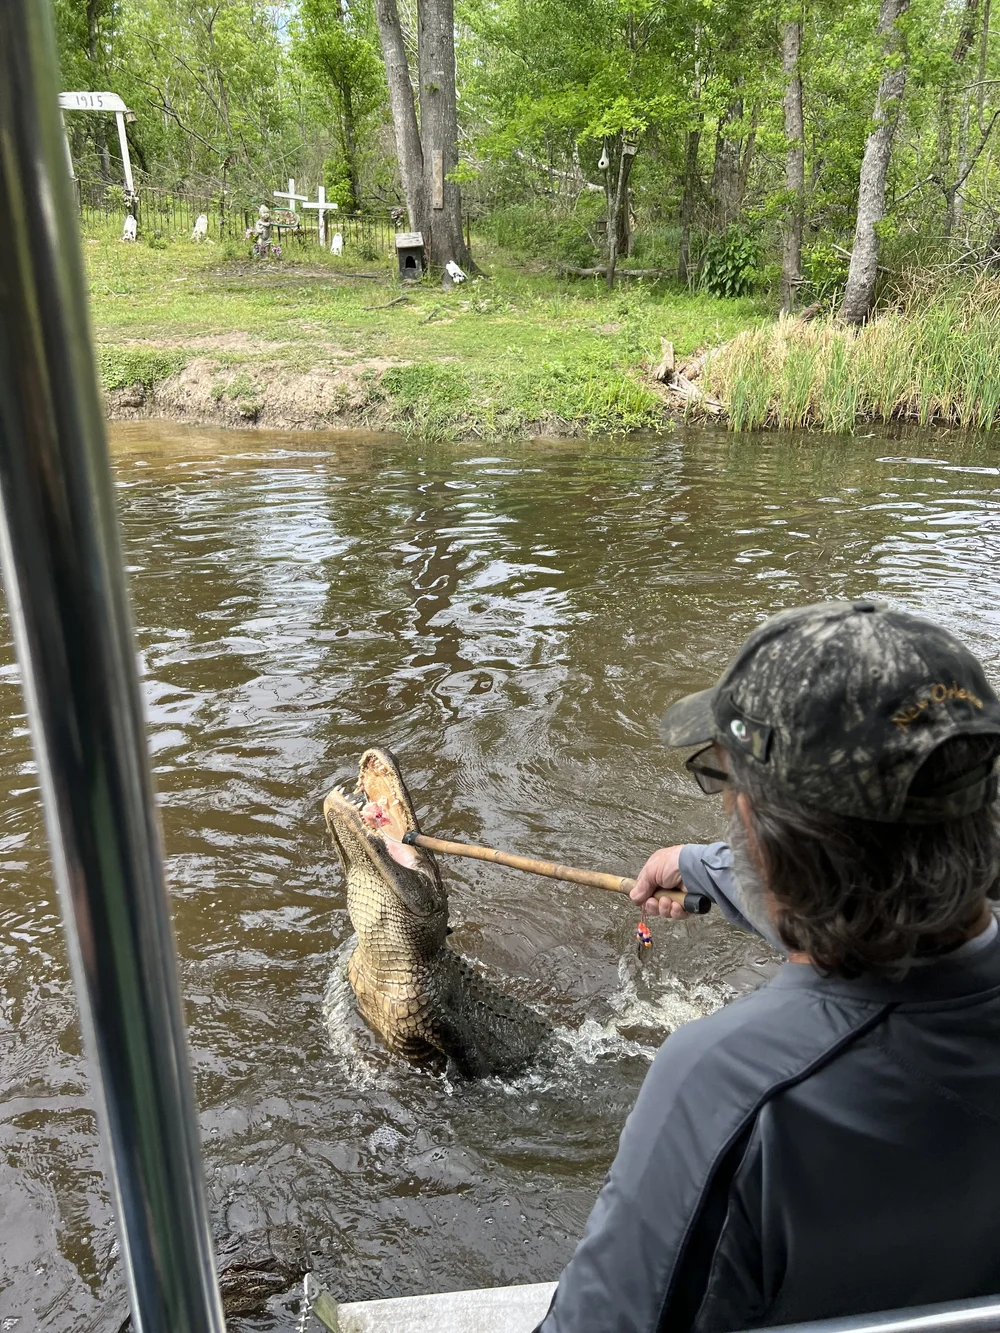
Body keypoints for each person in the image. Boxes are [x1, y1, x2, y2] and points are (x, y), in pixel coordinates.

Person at [536, 600, 1000, 1333]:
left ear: (763, 829)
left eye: (727, 783)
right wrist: (704, 867)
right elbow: (877, 901)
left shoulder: (730, 1087)